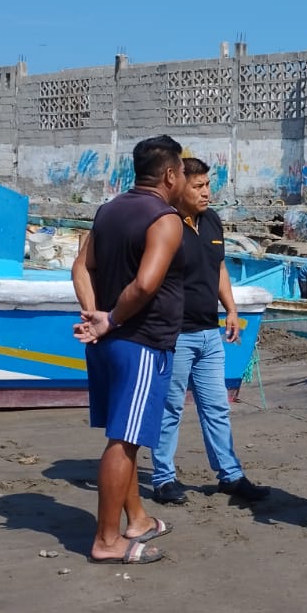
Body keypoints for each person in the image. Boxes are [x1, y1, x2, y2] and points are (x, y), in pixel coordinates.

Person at [70, 135, 190, 564]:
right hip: (140, 342)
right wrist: (112, 319)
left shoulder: (109, 210)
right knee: (123, 441)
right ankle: (107, 540)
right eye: (183, 172)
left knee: (128, 436)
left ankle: (136, 518)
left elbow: (81, 266)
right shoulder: (165, 219)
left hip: (109, 343)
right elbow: (145, 285)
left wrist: (94, 315)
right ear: (170, 175)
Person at [150, 157, 270, 506]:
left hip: (209, 333)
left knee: (217, 407)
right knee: (170, 409)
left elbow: (218, 269)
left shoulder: (212, 220)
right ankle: (163, 478)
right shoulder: (166, 223)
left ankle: (230, 476)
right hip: (175, 335)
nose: (206, 193)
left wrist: (231, 309)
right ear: (178, 186)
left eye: (208, 185)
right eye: (198, 186)